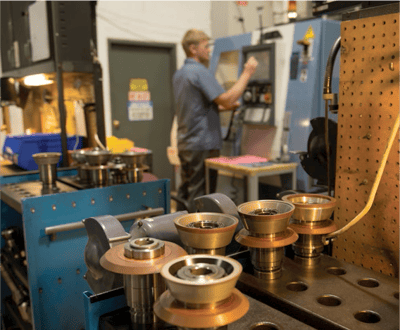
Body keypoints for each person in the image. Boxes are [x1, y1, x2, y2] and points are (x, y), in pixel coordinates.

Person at [173, 28, 258, 211]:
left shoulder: (179, 74)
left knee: (186, 190)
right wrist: (247, 73)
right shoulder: (199, 71)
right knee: (201, 196)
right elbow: (226, 98)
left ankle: (175, 230)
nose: (209, 50)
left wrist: (224, 106)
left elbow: (197, 106)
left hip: (186, 143)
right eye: (205, 46)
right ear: (193, 49)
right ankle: (196, 235)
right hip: (202, 144)